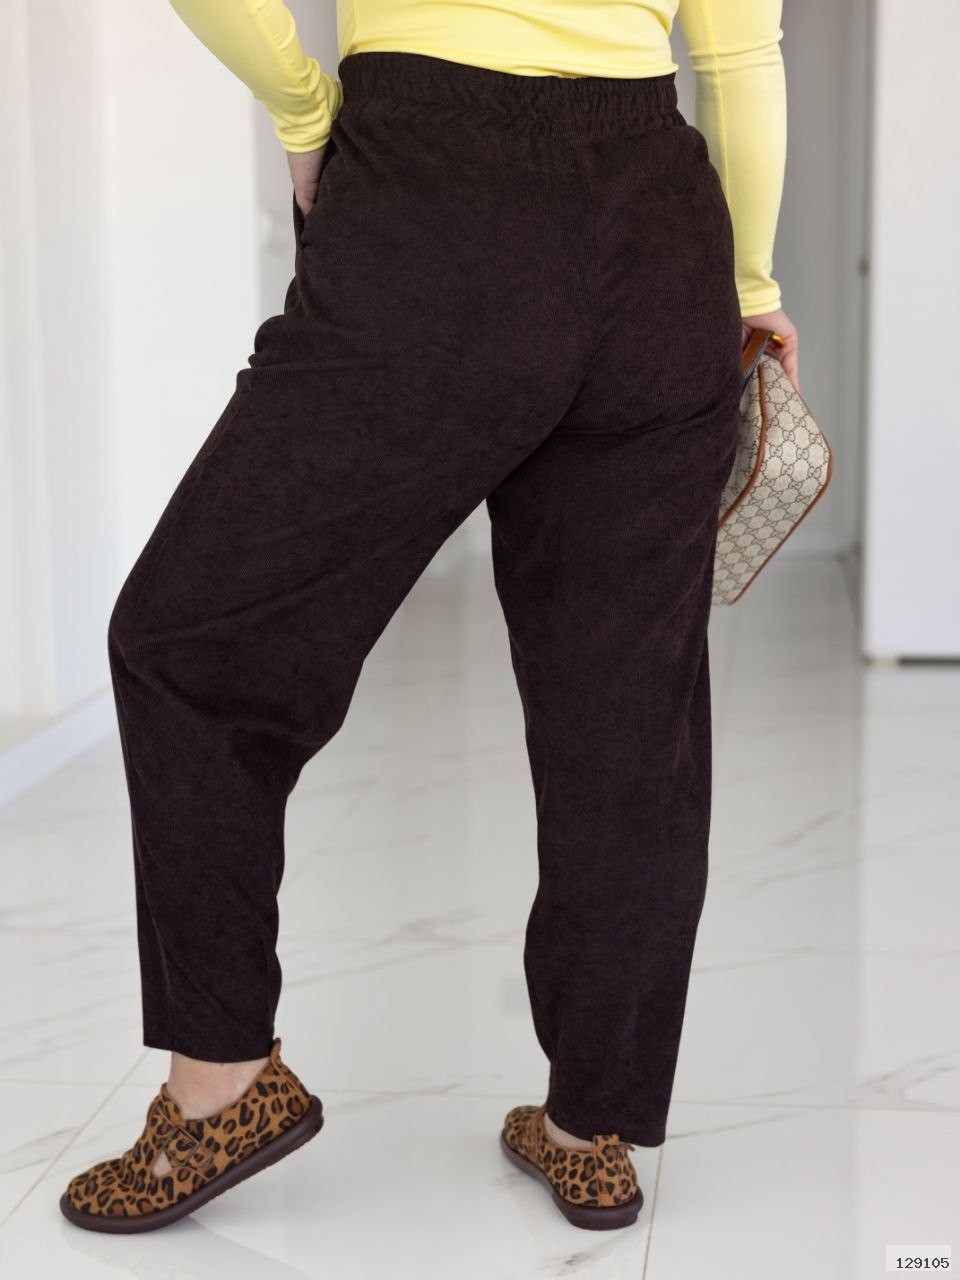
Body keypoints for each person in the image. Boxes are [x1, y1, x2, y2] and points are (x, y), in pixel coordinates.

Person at [59, 0, 794, 1235]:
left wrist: (304, 110)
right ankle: (593, 1127)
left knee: (190, 643)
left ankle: (218, 1089)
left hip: (434, 195)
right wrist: (752, 285)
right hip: (662, 235)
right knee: (628, 718)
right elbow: (740, 55)